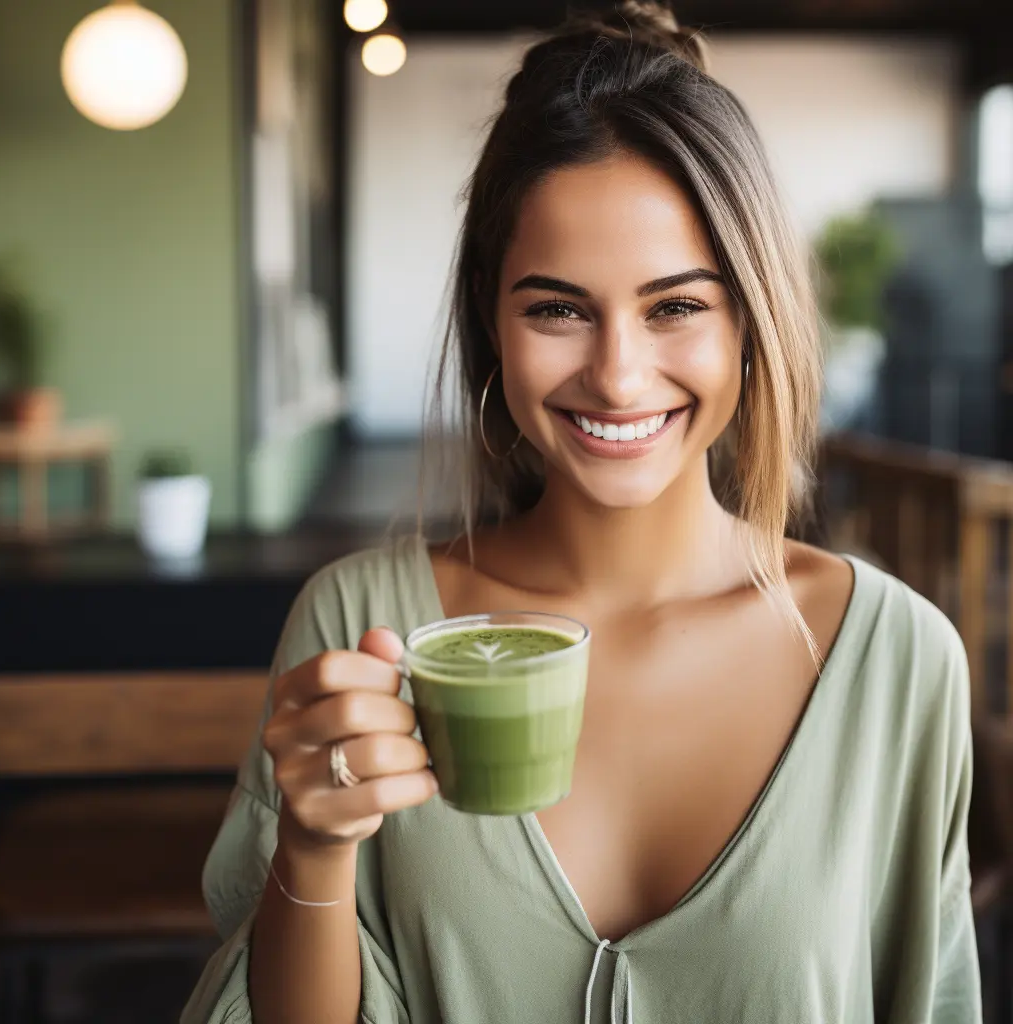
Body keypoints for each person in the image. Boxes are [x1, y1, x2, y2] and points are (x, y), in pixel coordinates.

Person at [181, 3, 981, 1021]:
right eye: (557, 307)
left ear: (750, 318)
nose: (615, 373)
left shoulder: (896, 658)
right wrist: (313, 847)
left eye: (676, 306)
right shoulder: (363, 627)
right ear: (492, 321)